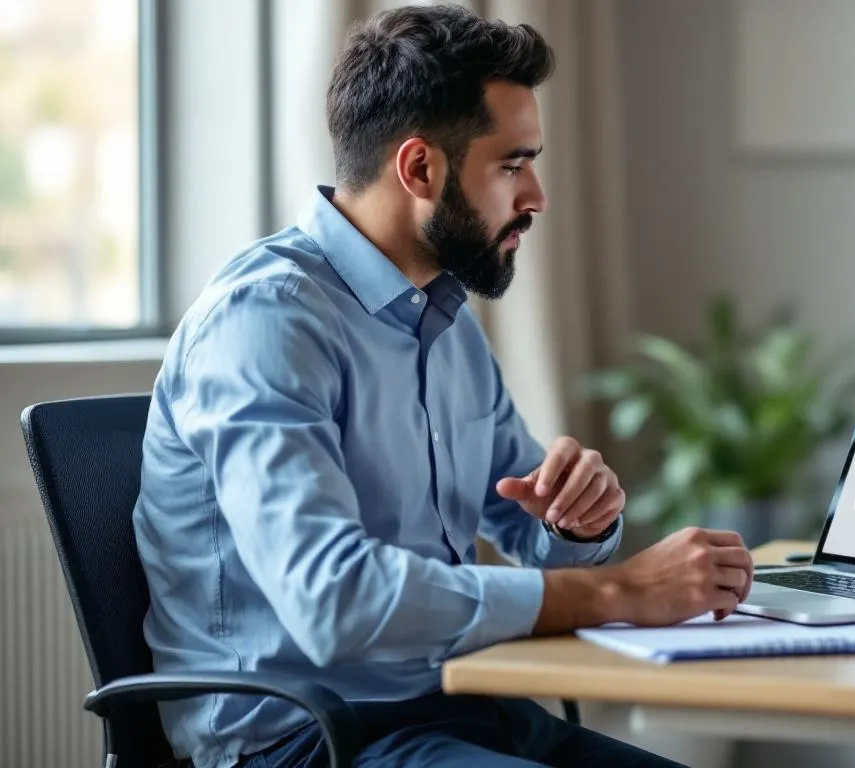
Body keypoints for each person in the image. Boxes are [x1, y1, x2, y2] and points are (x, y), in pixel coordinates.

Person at [132, 5, 754, 767]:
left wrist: (578, 527)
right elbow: (336, 601)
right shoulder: (265, 324)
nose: (537, 196)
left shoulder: (446, 319)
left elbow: (529, 532)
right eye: (512, 164)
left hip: (465, 705)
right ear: (420, 167)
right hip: (308, 742)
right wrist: (621, 592)